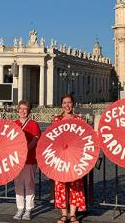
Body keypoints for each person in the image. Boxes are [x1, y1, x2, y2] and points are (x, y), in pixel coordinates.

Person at [53, 94, 85, 223]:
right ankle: (63, 214)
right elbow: (52, 139)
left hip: (75, 157)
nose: (67, 105)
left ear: (73, 104)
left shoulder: (79, 119)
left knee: (75, 185)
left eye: (69, 102)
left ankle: (73, 214)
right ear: (61, 105)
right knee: (60, 185)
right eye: (65, 103)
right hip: (60, 157)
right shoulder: (56, 120)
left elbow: (83, 138)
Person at [12, 100, 41, 221]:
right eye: (21, 109)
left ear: (29, 111)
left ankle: (28, 209)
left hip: (29, 158)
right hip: (16, 160)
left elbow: (35, 140)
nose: (23, 111)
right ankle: (20, 208)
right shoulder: (14, 124)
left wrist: (25, 149)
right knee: (18, 185)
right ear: (17, 110)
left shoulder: (33, 124)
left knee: (29, 184)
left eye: (25, 109)